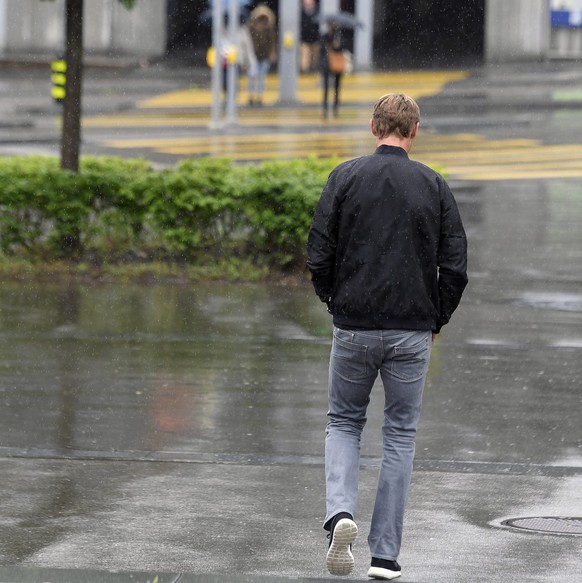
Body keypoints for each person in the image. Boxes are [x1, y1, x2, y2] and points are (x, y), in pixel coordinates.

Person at [307, 93, 468, 580]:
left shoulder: (345, 177)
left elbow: (319, 253)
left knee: (343, 422)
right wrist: (434, 318)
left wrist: (337, 303)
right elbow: (455, 266)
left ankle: (340, 514)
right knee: (399, 435)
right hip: (411, 331)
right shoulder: (434, 186)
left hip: (354, 326)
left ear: (373, 126)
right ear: (414, 132)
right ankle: (384, 556)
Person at [247, 3, 277, 106]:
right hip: (253, 57)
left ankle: (259, 96)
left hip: (264, 56)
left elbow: (272, 41)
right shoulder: (251, 29)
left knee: (261, 78)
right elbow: (248, 42)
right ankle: (251, 96)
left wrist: (272, 53)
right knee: (252, 77)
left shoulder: (268, 29)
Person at [320, 21, 345, 119]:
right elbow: (321, 48)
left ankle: (335, 107)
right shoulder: (324, 36)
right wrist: (329, 46)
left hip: (337, 65)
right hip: (327, 64)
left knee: (337, 87)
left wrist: (338, 46)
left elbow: (344, 48)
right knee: (326, 87)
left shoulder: (338, 37)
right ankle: (325, 108)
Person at [300, 0, 320, 73]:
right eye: (307, 4)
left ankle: (313, 70)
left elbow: (317, 27)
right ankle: (305, 71)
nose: (308, 6)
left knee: (314, 58)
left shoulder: (316, 14)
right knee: (305, 57)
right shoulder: (301, 14)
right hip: (305, 40)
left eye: (310, 4)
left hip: (315, 39)